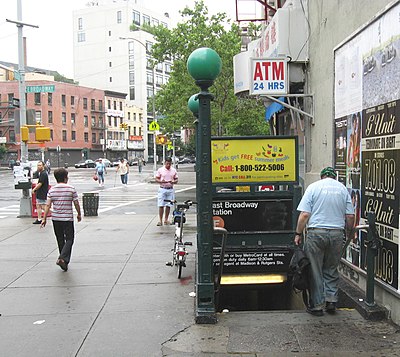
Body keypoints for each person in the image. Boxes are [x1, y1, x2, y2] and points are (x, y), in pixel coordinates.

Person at [294, 166, 354, 316]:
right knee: (331, 268)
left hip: (316, 233)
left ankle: (317, 306)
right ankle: (331, 301)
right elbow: (350, 216)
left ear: (322, 177)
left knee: (315, 270)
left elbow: (304, 215)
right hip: (336, 233)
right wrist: (349, 231)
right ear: (335, 177)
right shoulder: (342, 189)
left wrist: (298, 233)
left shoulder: (313, 188)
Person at [40, 168, 81, 272]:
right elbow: (76, 203)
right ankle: (62, 258)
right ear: (65, 177)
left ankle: (64, 261)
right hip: (67, 218)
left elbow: (48, 205)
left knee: (60, 238)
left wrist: (44, 218)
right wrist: (79, 214)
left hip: (56, 218)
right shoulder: (71, 189)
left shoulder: (52, 190)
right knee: (70, 239)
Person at [155, 157, 178, 226]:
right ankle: (160, 220)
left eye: (169, 164)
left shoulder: (173, 170)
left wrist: (173, 181)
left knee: (168, 205)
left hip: (170, 189)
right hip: (162, 188)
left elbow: (176, 180)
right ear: (165, 163)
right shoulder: (160, 170)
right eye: (167, 164)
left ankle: (166, 219)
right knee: (161, 204)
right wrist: (160, 181)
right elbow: (156, 178)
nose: (168, 165)